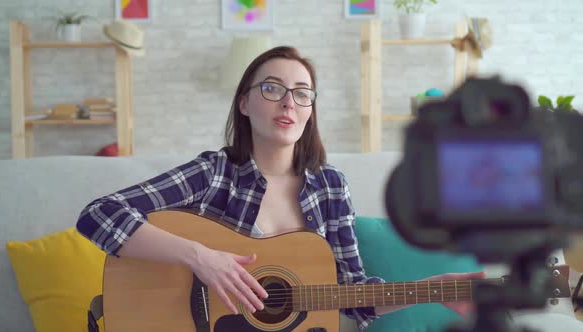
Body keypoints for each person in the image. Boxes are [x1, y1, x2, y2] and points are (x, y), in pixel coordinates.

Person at [76, 46, 483, 331]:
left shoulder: (330, 187)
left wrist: (428, 289)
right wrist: (202, 258)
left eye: (302, 93)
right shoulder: (214, 173)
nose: (288, 102)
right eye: (272, 88)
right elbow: (98, 215)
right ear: (244, 104)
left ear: (310, 111)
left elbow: (354, 299)